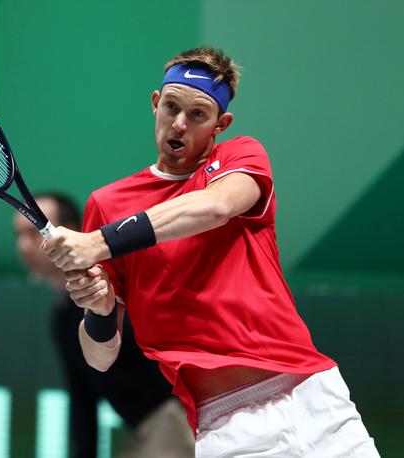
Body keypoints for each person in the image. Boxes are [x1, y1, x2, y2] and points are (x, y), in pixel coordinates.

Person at [41, 47, 380, 457]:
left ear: (221, 123)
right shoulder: (108, 204)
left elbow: (216, 207)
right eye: (171, 107)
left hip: (314, 395)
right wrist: (97, 307)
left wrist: (96, 242)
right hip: (229, 426)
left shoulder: (240, 157)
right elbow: (99, 357)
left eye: (198, 114)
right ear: (155, 104)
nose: (179, 124)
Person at [14, 192, 195, 458]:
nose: (24, 246)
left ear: (70, 232)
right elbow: (83, 398)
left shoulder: (117, 279)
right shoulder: (61, 318)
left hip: (179, 416)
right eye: (19, 235)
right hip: (153, 427)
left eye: (34, 233)